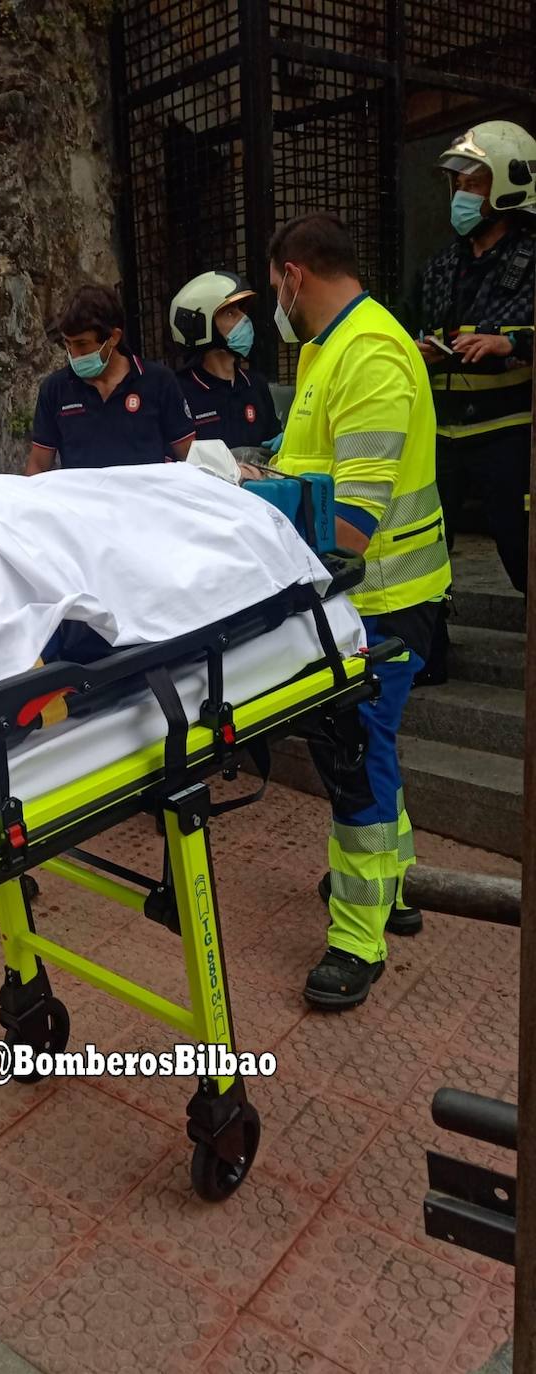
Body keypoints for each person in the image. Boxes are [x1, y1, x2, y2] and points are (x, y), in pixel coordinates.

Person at [264, 212, 451, 1010]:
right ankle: (395, 890)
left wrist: (255, 521)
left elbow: (352, 523)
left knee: (352, 757)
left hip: (378, 601)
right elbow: (314, 473)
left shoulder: (368, 354)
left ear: (292, 275)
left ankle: (357, 938)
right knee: (367, 747)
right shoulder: (326, 349)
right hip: (353, 602)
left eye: (272, 283)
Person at [403, 121, 536, 684]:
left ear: (508, 186)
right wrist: (416, 350)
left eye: (473, 183)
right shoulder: (438, 267)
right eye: (457, 182)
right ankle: (430, 658)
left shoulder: (532, 258)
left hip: (510, 430)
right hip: (443, 433)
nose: (461, 194)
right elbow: (404, 333)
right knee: (428, 550)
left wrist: (512, 343)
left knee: (520, 546)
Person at [25, 284, 196, 473]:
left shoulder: (159, 381)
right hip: (83, 500)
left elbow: (189, 455)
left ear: (113, 337)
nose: (74, 353)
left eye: (82, 344)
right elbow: (38, 465)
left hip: (146, 499)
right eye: (67, 343)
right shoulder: (54, 389)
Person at [169, 270, 282, 452]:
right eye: (230, 313)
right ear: (200, 324)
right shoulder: (178, 391)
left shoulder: (256, 385)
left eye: (242, 311)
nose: (244, 320)